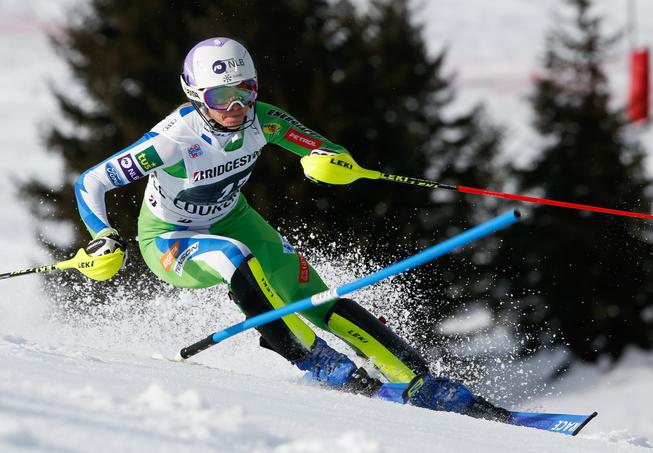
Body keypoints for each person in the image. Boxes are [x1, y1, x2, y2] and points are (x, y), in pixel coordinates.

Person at [76, 36, 508, 421]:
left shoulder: (264, 120)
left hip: (233, 218)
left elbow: (328, 150)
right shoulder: (172, 140)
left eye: (245, 92)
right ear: (195, 96)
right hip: (169, 239)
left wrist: (331, 163)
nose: (236, 107)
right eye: (221, 97)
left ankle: (419, 379)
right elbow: (91, 181)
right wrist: (103, 235)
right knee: (232, 256)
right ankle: (313, 358)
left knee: (313, 295)